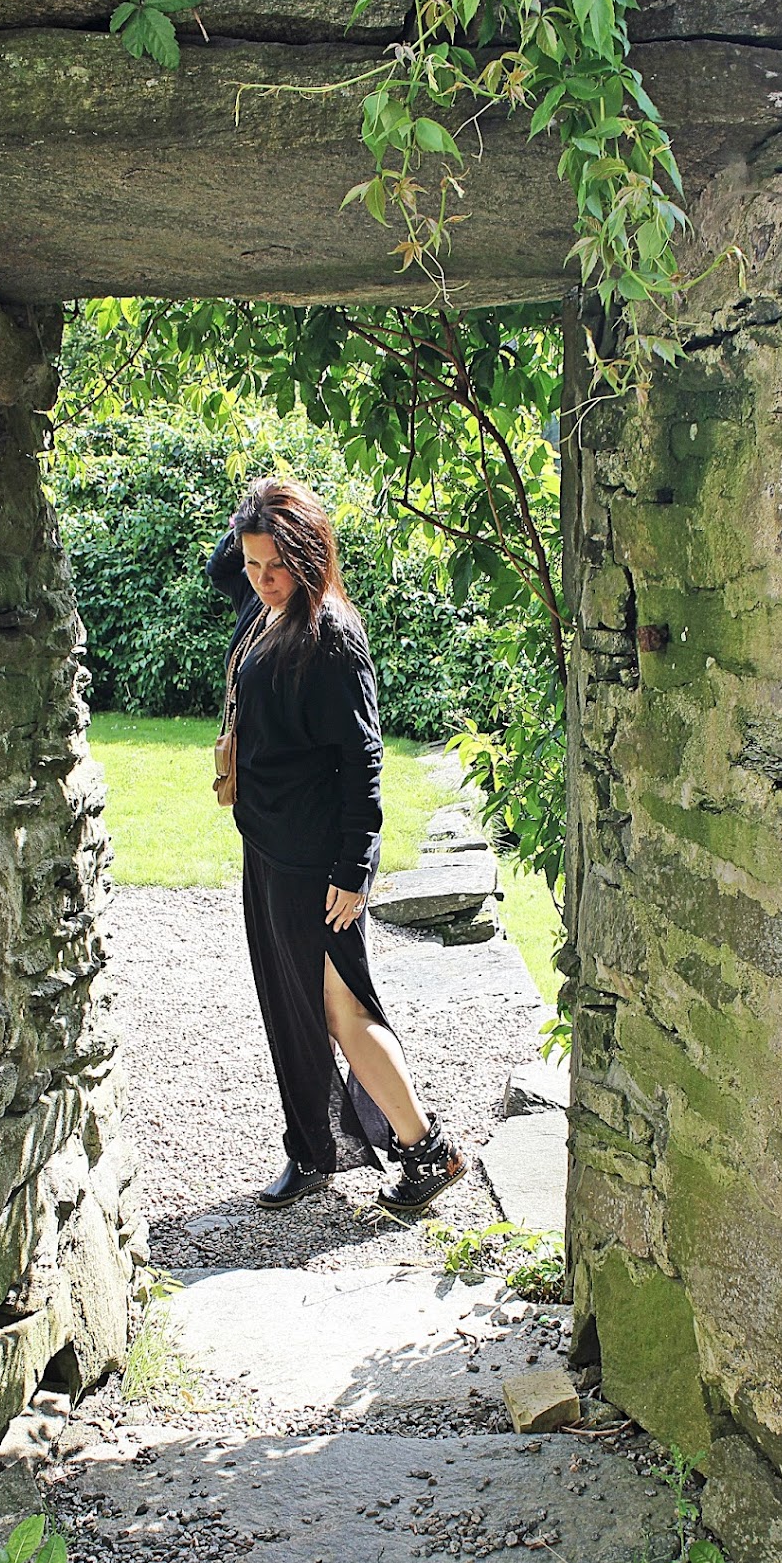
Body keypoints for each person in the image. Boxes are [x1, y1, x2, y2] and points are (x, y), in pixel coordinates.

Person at [206, 476, 466, 1213]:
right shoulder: (261, 607)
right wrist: (259, 509)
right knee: (293, 1006)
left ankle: (429, 1151)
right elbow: (223, 565)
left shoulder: (330, 636)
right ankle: (313, 1149)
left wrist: (354, 869)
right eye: (255, 564)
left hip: (316, 862)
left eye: (277, 566)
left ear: (310, 558)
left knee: (341, 1009)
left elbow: (363, 758)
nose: (261, 578)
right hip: (269, 847)